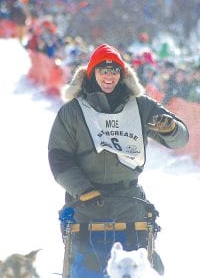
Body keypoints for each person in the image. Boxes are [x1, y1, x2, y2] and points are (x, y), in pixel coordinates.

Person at [48, 44, 189, 277]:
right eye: (103, 70)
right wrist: (82, 190)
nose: (109, 76)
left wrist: (171, 129)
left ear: (122, 75)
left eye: (114, 71)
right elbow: (59, 158)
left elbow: (180, 138)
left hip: (129, 204)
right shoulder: (72, 111)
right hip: (87, 205)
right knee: (87, 269)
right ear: (92, 73)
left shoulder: (141, 106)